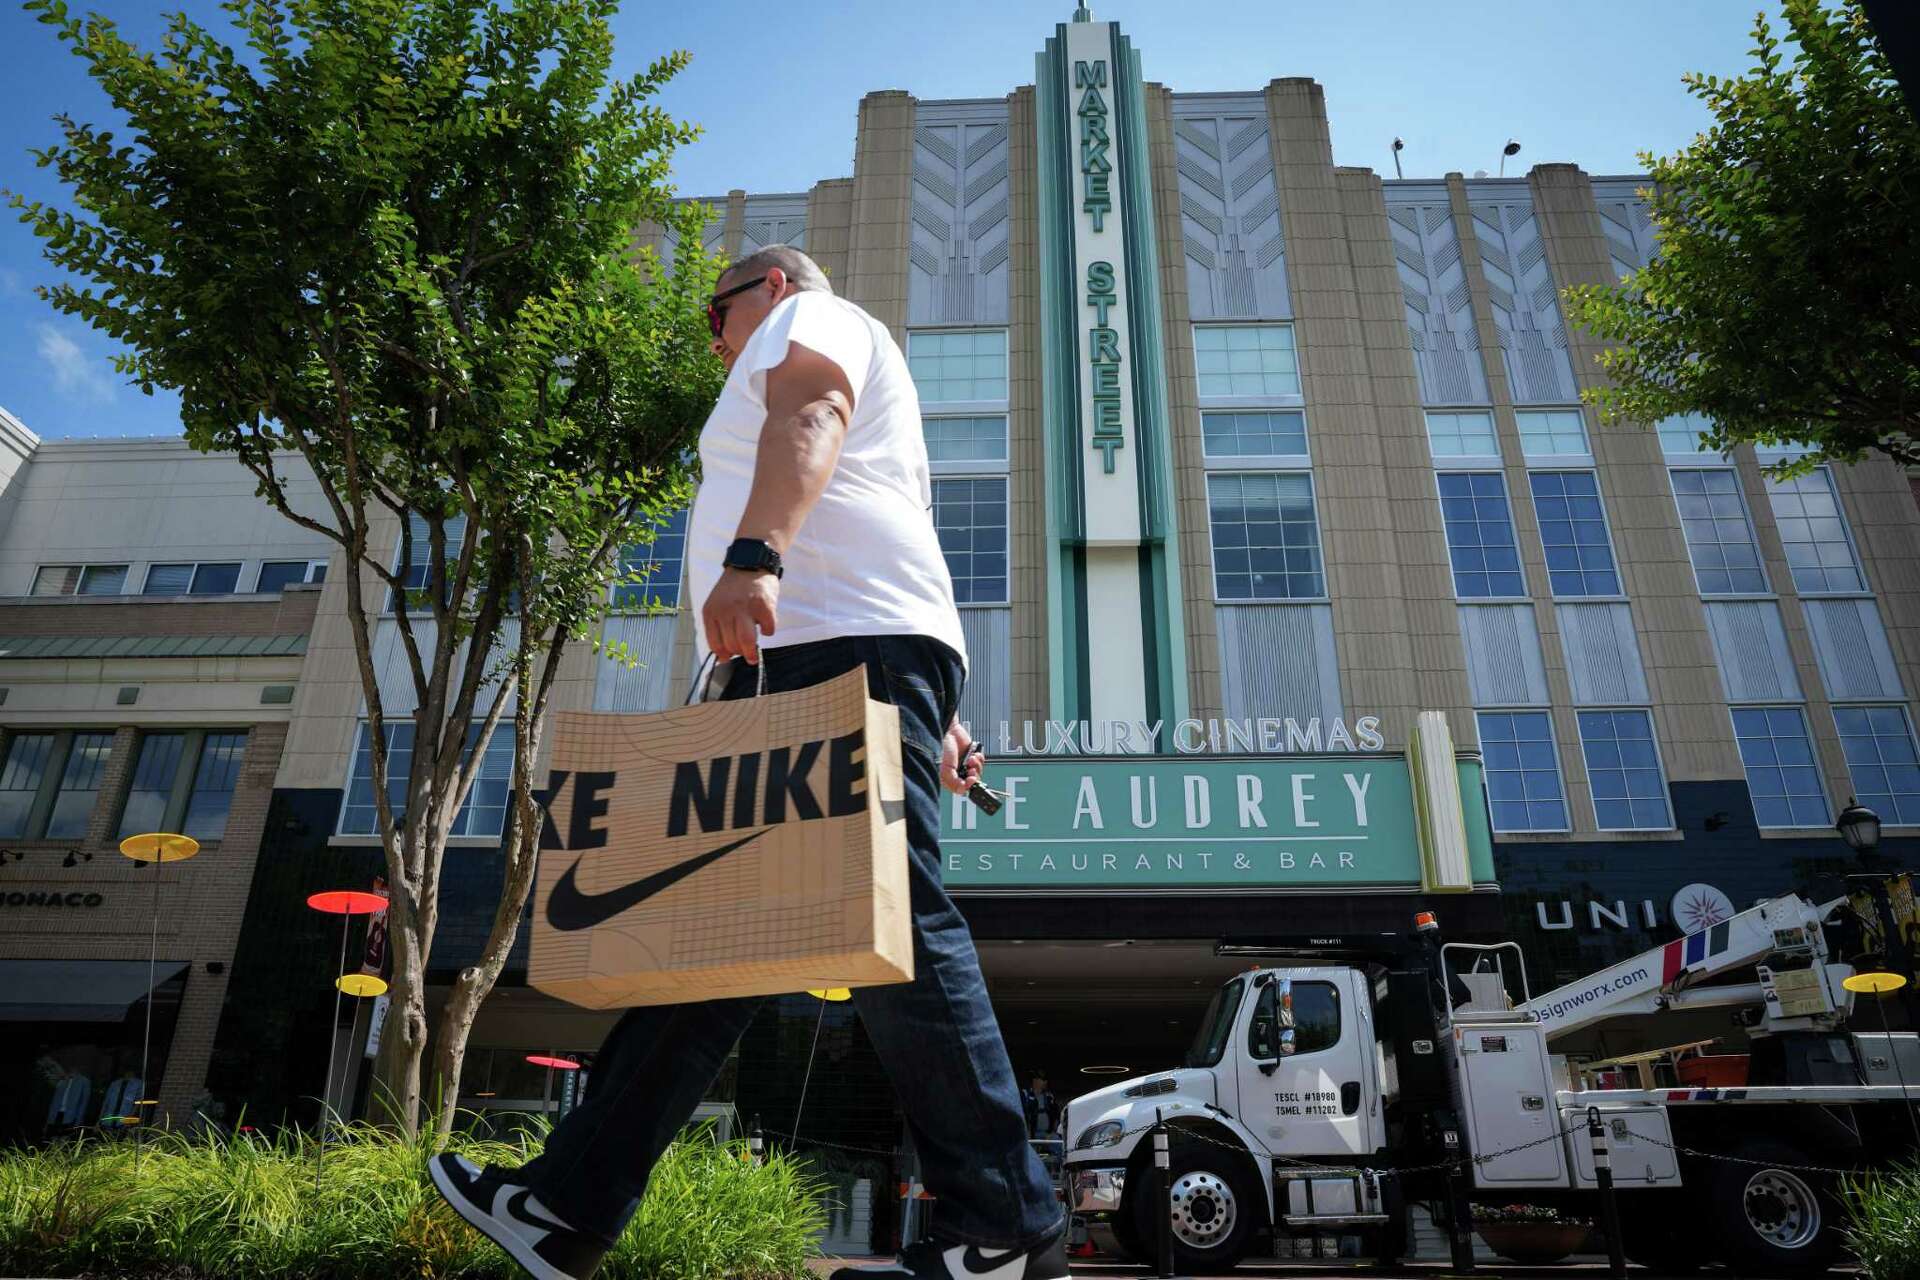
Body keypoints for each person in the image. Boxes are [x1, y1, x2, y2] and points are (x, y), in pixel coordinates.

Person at [432, 245, 1065, 1280]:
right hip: (845, 654)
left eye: (713, 314)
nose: (714, 338)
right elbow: (878, 525)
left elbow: (808, 414)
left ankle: (1005, 1221)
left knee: (894, 910)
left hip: (825, 654)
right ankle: (564, 1204)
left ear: (768, 286)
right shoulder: (844, 352)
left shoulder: (806, 321)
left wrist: (754, 555)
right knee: (713, 940)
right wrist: (934, 714)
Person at [1020, 1072, 1058, 1139]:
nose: (1046, 1082)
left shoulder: (1049, 1096)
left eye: (1046, 1080)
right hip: (1030, 1134)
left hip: (1047, 1134)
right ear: (1035, 1080)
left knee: (1057, 1142)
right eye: (1043, 1079)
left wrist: (1052, 1132)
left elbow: (1056, 1115)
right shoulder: (1025, 1094)